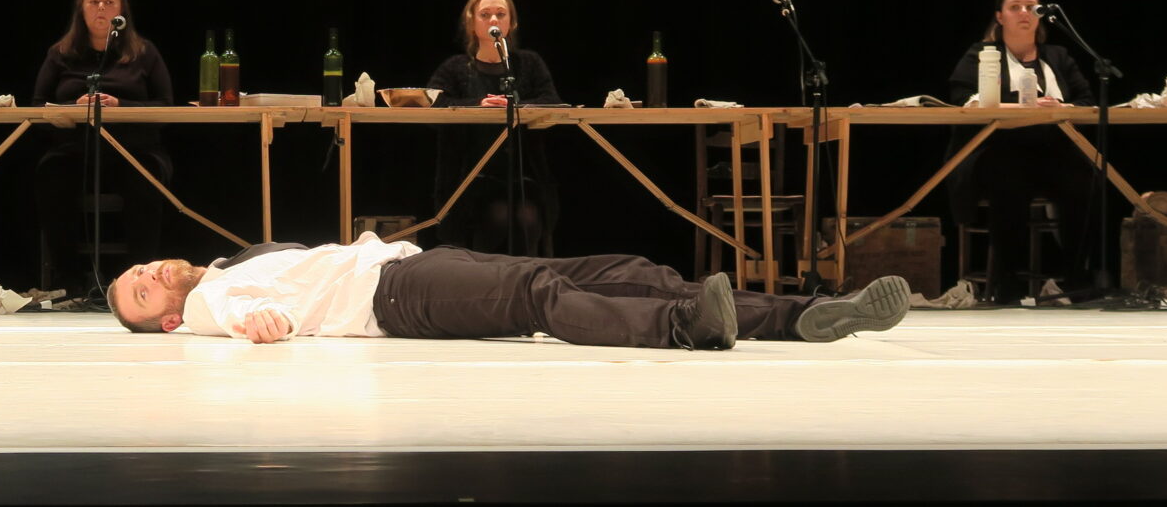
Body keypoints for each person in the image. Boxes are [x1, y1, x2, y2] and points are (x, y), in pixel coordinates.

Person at [106, 234, 911, 349]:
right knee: (536, 292)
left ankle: (804, 315)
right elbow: (252, 316)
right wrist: (262, 321)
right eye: (137, 295)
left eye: (136, 271)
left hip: (406, 263)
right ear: (165, 320)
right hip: (391, 296)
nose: (144, 277)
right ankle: (683, 326)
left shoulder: (215, 269)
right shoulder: (209, 307)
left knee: (602, 267)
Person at [943, 0, 1100, 302]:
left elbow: (1087, 101)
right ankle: (1007, 279)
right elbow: (961, 98)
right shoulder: (981, 56)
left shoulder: (1058, 56)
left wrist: (1062, 107)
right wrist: (1015, 107)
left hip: (1050, 151)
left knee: (1084, 173)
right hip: (997, 150)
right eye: (1015, 7)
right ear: (1000, 16)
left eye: (1031, 7)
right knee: (1009, 174)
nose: (1025, 12)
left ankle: (1075, 275)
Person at [27, 0, 176, 286]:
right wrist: (74, 108)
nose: (101, 8)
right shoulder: (60, 53)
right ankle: (69, 280)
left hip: (133, 149)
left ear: (122, 10)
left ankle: (137, 281)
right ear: (81, 9)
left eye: (109, 2)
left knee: (145, 179)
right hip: (75, 149)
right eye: (94, 2)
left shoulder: (144, 52)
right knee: (50, 174)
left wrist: (122, 106)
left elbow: (166, 107)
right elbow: (38, 105)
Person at [424, 0, 562, 255]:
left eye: (501, 14)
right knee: (497, 218)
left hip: (523, 179)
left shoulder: (529, 64)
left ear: (512, 23)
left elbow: (553, 101)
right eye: (485, 15)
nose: (494, 21)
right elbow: (432, 105)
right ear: (472, 23)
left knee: (528, 219)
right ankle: (484, 285)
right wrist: (478, 105)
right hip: (470, 180)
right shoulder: (455, 68)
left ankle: (527, 287)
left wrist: (518, 107)